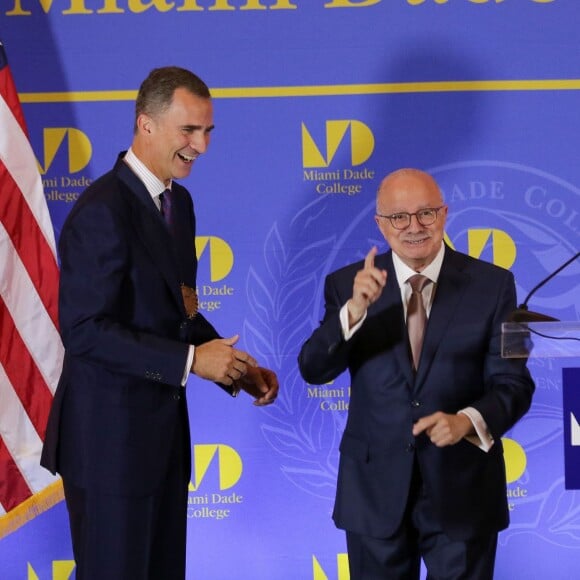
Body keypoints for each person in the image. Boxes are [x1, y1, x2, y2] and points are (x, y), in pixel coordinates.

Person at [40, 66, 279, 580]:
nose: (202, 146)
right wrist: (194, 361)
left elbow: (180, 310)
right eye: (189, 130)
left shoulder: (179, 203)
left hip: (160, 446)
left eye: (208, 131)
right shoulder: (103, 209)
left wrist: (232, 365)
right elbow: (83, 330)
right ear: (145, 125)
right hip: (108, 448)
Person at [298, 168, 534, 579]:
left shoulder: (496, 286)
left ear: (444, 214)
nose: (413, 228)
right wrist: (352, 313)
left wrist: (467, 421)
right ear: (380, 224)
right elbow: (313, 368)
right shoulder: (346, 286)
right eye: (399, 217)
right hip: (374, 496)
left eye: (425, 213)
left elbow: (514, 383)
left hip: (464, 492)